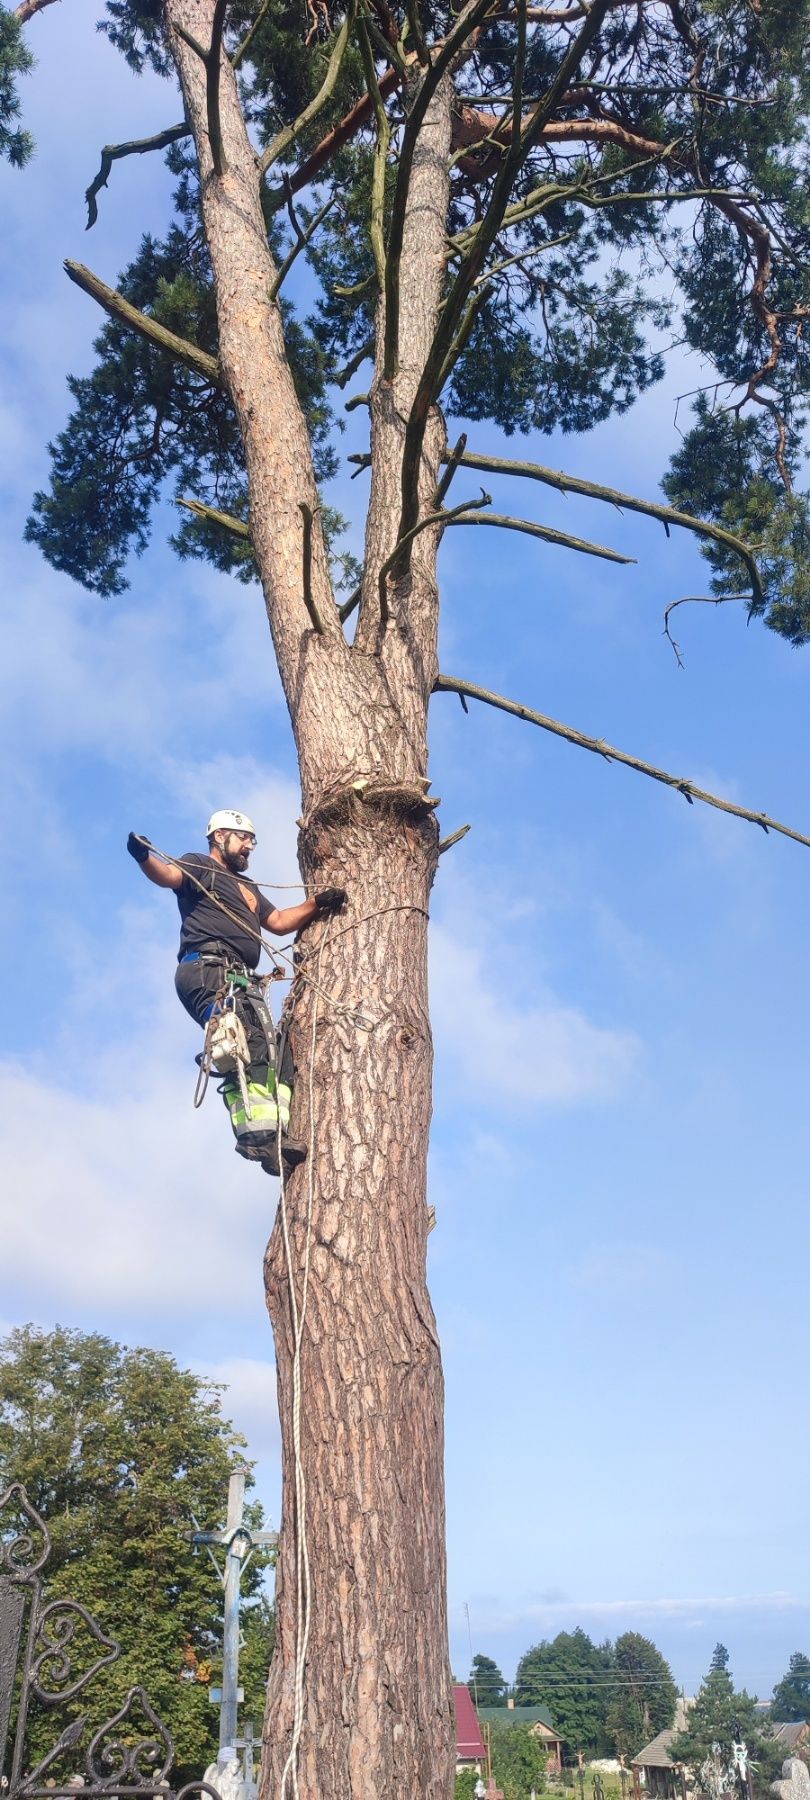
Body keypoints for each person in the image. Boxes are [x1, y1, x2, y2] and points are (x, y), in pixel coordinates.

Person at [127, 809, 346, 1173]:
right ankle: (257, 1140)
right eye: (244, 838)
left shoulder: (249, 888)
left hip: (239, 976)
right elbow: (166, 876)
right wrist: (143, 856)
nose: (249, 847)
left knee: (271, 1049)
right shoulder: (199, 865)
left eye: (252, 841)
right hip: (209, 969)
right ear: (219, 837)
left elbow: (277, 923)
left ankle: (275, 1130)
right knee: (244, 1045)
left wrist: (316, 904)